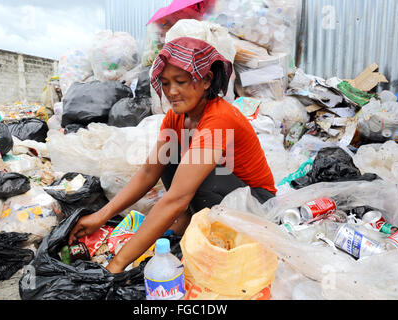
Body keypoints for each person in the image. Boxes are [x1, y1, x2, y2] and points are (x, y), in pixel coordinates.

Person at [68, 37, 276, 273]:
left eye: (181, 82)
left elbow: (176, 198)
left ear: (206, 80)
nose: (172, 92)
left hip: (256, 204)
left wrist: (116, 264)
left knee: (198, 173)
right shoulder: (177, 116)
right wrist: (100, 216)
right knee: (169, 157)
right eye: (165, 83)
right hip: (225, 195)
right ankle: (189, 220)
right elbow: (148, 172)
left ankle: (210, 230)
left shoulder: (219, 118)